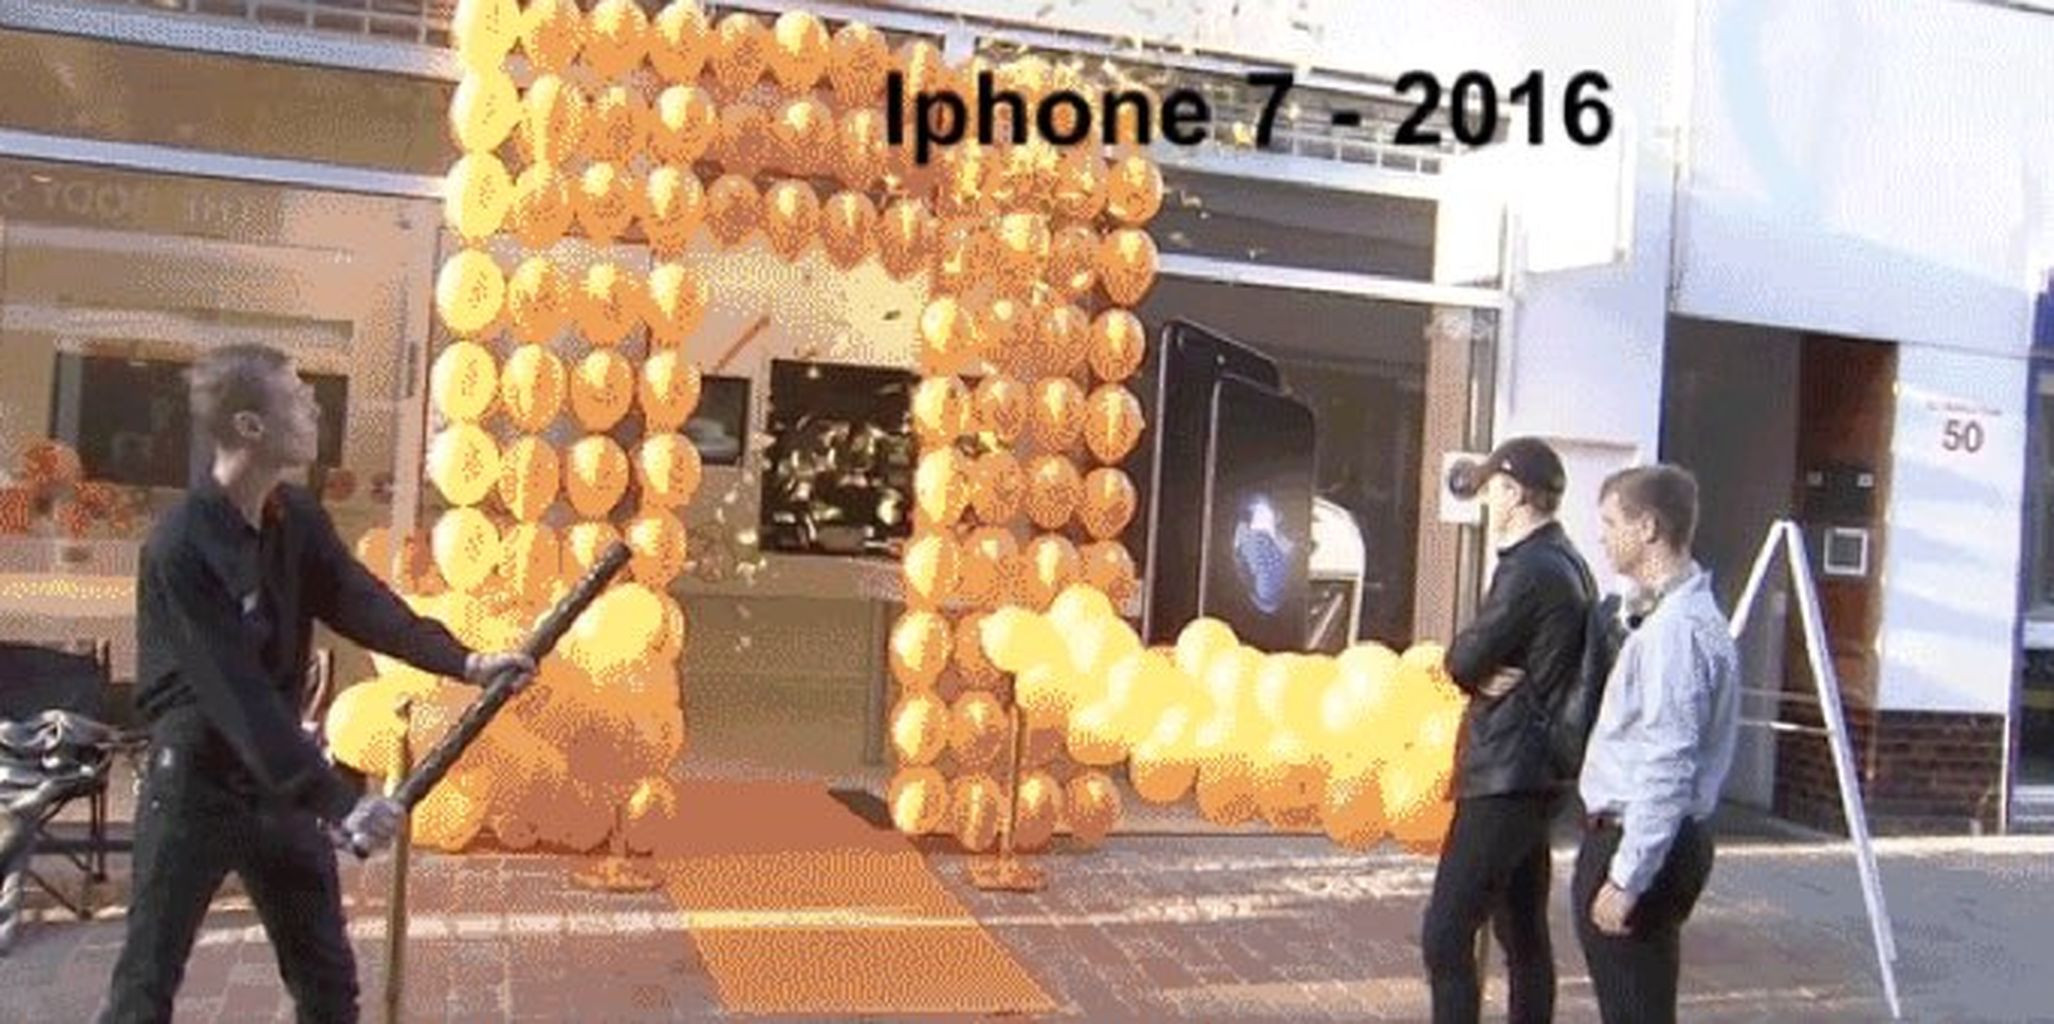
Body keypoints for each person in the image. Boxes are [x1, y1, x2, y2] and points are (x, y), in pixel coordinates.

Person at [100, 344, 536, 1024]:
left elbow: (362, 603)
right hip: (195, 785)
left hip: (276, 787)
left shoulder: (294, 517)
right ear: (250, 426)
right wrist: (338, 802)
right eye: (297, 396)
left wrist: (465, 662)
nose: (312, 407)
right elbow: (235, 696)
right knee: (145, 989)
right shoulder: (180, 547)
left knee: (329, 988)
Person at [1424, 437, 1597, 1024]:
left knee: (1447, 932)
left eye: (1493, 489)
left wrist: (1476, 669)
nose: (1487, 501)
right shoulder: (1567, 560)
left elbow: (1462, 660)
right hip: (1538, 769)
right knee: (1523, 932)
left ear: (1515, 493)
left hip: (1505, 769)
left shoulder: (1529, 570)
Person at [1575, 464, 1740, 1024]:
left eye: (1610, 522)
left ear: (1647, 528)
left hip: (1638, 837)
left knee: (1635, 1005)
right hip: (1642, 836)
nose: (1601, 536)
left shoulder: (1677, 633)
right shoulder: (1673, 615)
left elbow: (1668, 761)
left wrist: (1627, 877)